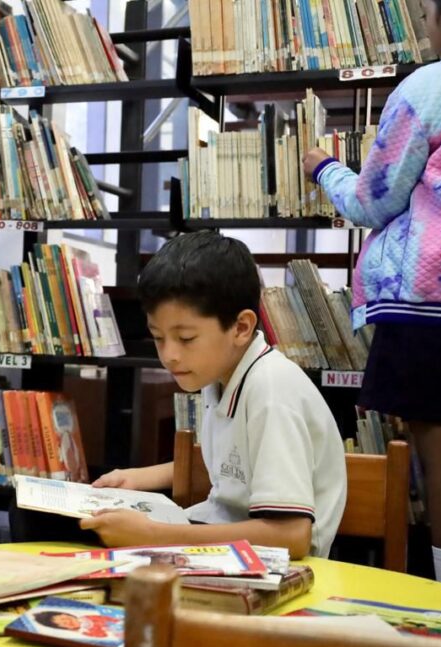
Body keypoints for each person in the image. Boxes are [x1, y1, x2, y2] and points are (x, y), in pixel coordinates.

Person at [302, 0, 441, 586]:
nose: (423, 28)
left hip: (436, 305)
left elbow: (373, 201)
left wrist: (324, 168)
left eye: (426, 13)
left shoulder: (433, 86)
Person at [83, 232, 346, 560]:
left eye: (186, 338)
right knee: (61, 524)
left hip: (270, 564)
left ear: (240, 328)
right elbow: (232, 465)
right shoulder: (221, 373)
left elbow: (291, 536)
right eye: (158, 338)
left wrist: (155, 536)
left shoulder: (271, 390)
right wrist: (137, 478)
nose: (170, 356)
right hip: (223, 546)